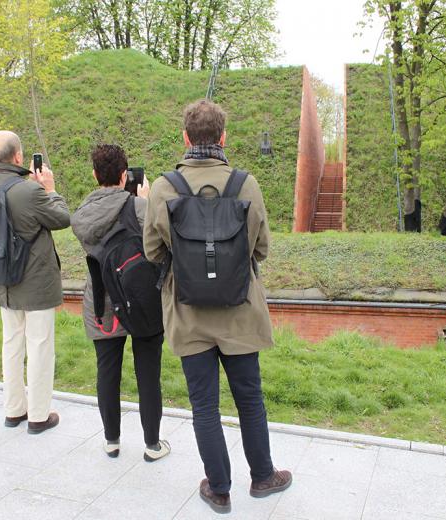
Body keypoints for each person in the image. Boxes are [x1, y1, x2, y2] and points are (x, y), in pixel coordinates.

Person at [143, 100, 292, 513]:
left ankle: (220, 489)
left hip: (188, 314)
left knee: (204, 406)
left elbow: (152, 251)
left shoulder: (164, 187)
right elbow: (261, 247)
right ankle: (263, 477)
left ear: (186, 138)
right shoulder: (246, 184)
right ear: (223, 137)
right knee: (250, 399)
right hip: (240, 312)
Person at [71, 144, 170, 461]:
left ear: (94, 175)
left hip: (102, 303)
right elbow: (162, 242)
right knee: (148, 373)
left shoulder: (82, 215)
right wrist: (148, 201)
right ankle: (152, 444)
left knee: (107, 371)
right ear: (125, 175)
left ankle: (111, 441)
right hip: (142, 300)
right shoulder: (141, 207)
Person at [0, 131, 70, 434]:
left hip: (2, 277)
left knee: (11, 344)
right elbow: (62, 218)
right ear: (17, 156)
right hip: (35, 279)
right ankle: (39, 415)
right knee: (39, 346)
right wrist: (50, 189)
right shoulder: (29, 191)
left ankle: (14, 410)